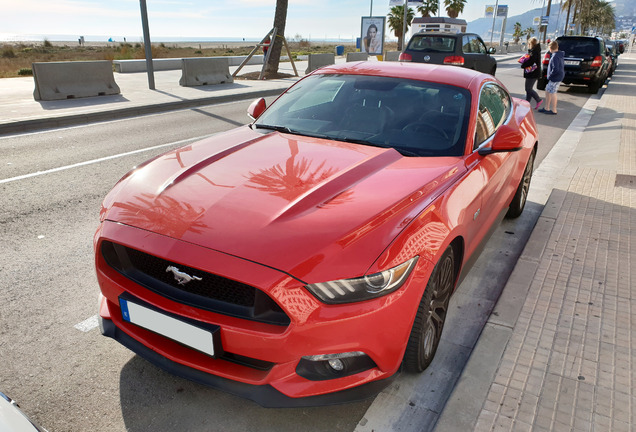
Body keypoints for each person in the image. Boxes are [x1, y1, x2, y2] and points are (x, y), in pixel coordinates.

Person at [539, 40, 565, 115]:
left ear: (550, 48)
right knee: (548, 90)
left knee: (553, 92)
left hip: (555, 77)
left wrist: (550, 75)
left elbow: (555, 69)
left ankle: (554, 110)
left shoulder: (554, 57)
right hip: (558, 76)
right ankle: (547, 107)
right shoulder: (559, 55)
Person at [520, 37, 543, 110]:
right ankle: (527, 103)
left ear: (530, 44)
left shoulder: (534, 51)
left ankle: (538, 100)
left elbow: (531, 61)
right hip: (533, 72)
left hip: (532, 73)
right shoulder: (535, 50)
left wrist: (523, 64)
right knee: (528, 89)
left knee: (528, 89)